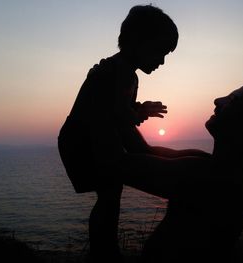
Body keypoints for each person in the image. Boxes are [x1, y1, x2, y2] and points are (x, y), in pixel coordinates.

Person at [57, 4, 209, 263]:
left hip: (102, 136)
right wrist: (139, 113)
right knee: (109, 193)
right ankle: (103, 253)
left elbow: (119, 114)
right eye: (160, 52)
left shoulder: (128, 75)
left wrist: (137, 113)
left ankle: (104, 251)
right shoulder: (111, 71)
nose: (162, 61)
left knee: (110, 194)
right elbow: (113, 115)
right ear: (138, 42)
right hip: (84, 141)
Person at [118, 73, 243, 262]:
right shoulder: (217, 168)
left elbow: (116, 164)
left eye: (232, 100)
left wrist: (109, 104)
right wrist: (126, 113)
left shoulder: (210, 178)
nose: (217, 101)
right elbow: (140, 150)